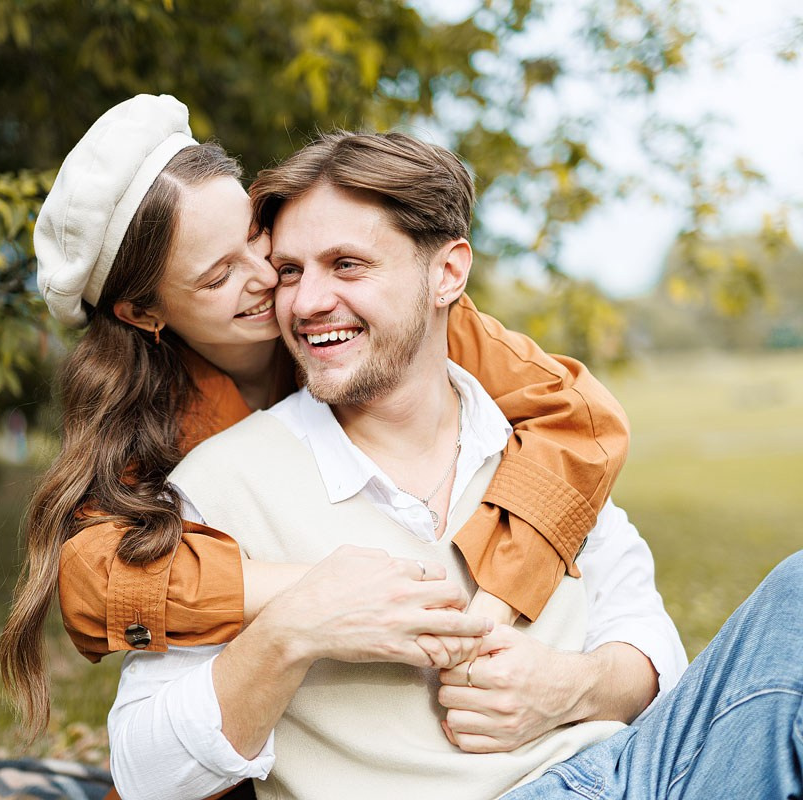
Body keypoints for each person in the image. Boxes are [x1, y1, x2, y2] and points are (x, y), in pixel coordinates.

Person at [105, 130, 802, 799]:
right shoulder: (219, 486)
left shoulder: (535, 443)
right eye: (289, 271)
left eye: (347, 265)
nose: (307, 301)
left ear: (447, 273)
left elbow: (651, 646)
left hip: (632, 773)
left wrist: (573, 686)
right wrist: (292, 630)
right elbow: (145, 773)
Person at [0, 95, 633, 748]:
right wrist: (325, 591)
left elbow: (577, 421)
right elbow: (97, 583)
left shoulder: (392, 323)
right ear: (142, 314)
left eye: (255, 237)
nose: (269, 279)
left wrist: (487, 609)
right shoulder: (154, 425)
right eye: (218, 276)